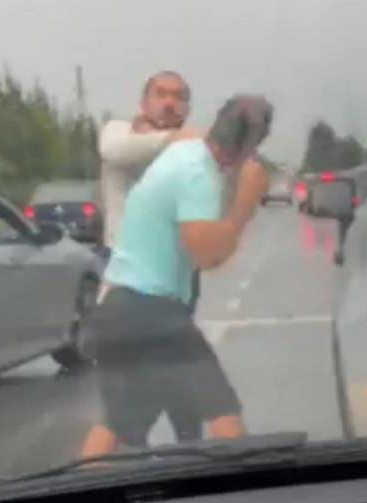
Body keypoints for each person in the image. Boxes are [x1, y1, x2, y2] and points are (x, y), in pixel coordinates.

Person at [79, 95, 272, 457]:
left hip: (119, 305)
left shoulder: (184, 155)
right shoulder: (199, 174)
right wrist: (246, 201)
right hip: (149, 310)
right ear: (252, 145)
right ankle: (253, 485)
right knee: (221, 407)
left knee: (117, 421)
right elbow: (207, 256)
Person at [96, 70, 205, 441]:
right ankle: (128, 467)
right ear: (144, 102)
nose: (170, 102)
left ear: (187, 107)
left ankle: (193, 460)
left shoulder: (193, 151)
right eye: (161, 94)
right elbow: (114, 151)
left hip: (177, 277)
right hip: (129, 280)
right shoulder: (117, 132)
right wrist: (177, 140)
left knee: (181, 380)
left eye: (178, 96)